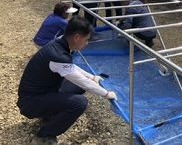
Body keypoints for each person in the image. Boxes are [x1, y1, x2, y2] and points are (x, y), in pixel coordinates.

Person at [17, 16, 117, 145]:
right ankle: (44, 136)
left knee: (79, 84)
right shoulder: (57, 55)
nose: (87, 43)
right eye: (86, 39)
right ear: (76, 37)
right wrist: (106, 94)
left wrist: (92, 77)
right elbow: (81, 81)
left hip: (42, 93)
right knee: (79, 102)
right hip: (31, 102)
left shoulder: (60, 43)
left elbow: (72, 68)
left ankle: (50, 114)